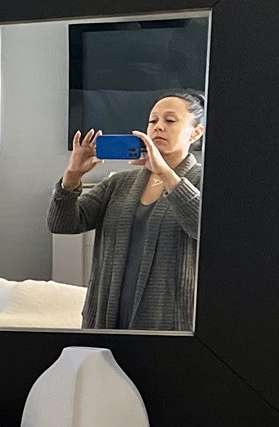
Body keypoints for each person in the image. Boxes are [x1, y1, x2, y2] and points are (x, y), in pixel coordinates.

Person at [48, 92, 204, 331]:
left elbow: (204, 229)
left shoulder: (204, 181)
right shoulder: (119, 183)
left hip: (170, 322)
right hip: (106, 318)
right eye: (153, 121)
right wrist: (71, 178)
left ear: (196, 133)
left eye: (170, 121)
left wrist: (165, 173)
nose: (158, 127)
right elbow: (62, 224)